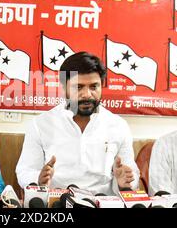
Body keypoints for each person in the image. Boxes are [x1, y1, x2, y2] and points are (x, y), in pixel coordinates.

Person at [16, 52, 139, 195]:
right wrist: (38, 179)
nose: (87, 94)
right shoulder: (40, 125)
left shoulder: (118, 126)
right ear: (64, 87)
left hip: (103, 202)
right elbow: (25, 171)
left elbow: (132, 176)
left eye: (94, 87)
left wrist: (125, 182)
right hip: (58, 205)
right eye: (78, 87)